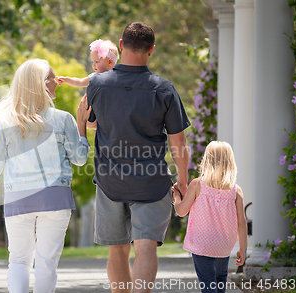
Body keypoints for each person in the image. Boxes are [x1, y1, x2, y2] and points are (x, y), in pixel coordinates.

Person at [0, 58, 92, 293]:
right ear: (43, 84)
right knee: (47, 265)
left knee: (18, 261)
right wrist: (81, 124)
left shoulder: (7, 121)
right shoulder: (64, 119)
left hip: (17, 199)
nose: (57, 81)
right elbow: (79, 158)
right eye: (53, 77)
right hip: (55, 199)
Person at [86, 22, 191, 293]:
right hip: (152, 185)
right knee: (145, 249)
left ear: (120, 46)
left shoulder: (97, 84)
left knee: (117, 251)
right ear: (151, 50)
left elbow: (90, 122)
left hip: (110, 183)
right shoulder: (164, 89)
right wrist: (183, 181)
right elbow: (178, 142)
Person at [172, 141, 247, 293]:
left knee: (208, 282)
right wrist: (242, 249)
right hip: (224, 245)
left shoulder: (197, 185)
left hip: (202, 244)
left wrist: (177, 198)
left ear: (207, 160)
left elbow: (181, 211)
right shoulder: (236, 191)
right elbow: (242, 223)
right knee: (220, 279)